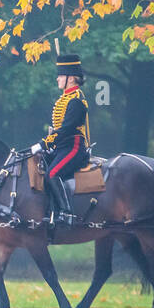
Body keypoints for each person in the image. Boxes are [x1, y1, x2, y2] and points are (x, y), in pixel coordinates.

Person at [30, 53, 90, 227]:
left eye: (61, 75)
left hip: (74, 147)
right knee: (37, 169)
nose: (57, 78)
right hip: (61, 147)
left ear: (71, 79)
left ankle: (66, 212)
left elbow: (67, 129)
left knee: (53, 173)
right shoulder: (65, 98)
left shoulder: (77, 100)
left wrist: (43, 144)